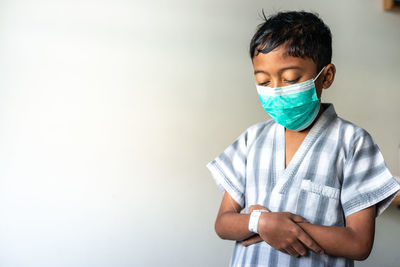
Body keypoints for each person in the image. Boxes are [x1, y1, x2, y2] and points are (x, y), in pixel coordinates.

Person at [206, 10, 400, 267]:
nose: (275, 90)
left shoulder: (353, 143)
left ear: (326, 76)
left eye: (290, 79)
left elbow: (359, 242)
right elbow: (223, 223)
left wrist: (284, 229)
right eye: (264, 82)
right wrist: (262, 223)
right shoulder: (251, 140)